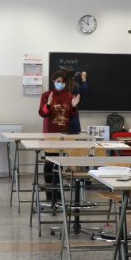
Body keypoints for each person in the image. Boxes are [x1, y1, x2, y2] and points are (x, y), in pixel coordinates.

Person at [39, 71, 79, 209]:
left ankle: (59, 194)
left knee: (60, 164)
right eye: (58, 81)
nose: (61, 84)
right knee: (50, 162)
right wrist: (49, 104)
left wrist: (73, 106)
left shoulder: (69, 96)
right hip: (50, 134)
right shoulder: (46, 95)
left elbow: (73, 115)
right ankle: (50, 194)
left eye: (63, 82)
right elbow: (42, 113)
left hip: (64, 135)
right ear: (53, 81)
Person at [66, 70, 89, 135]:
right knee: (74, 138)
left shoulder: (62, 86)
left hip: (63, 114)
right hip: (73, 114)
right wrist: (84, 79)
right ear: (73, 76)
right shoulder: (76, 85)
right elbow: (85, 90)